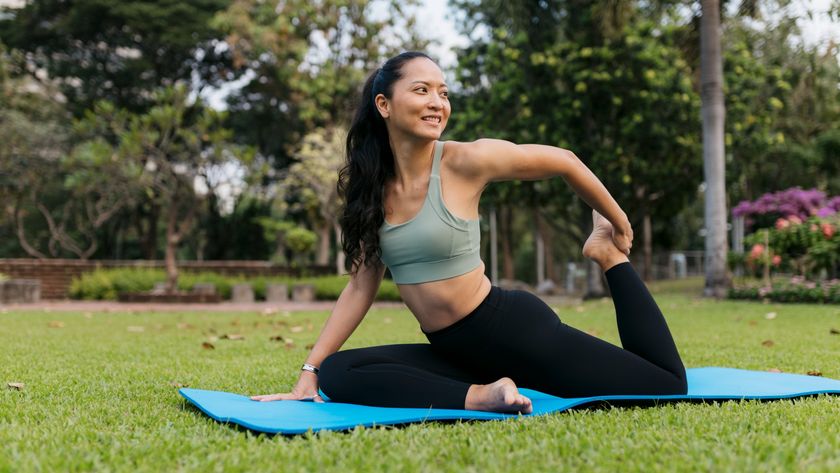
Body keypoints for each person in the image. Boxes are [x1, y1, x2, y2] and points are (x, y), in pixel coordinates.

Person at [251, 51, 687, 414]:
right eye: (421, 90)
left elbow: (566, 161)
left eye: (443, 92)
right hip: (453, 353)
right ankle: (482, 396)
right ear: (384, 105)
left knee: (665, 384)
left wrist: (617, 221)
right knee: (340, 373)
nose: (437, 102)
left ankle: (609, 258)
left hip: (512, 333)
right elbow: (362, 285)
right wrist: (309, 372)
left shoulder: (464, 162)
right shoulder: (371, 189)